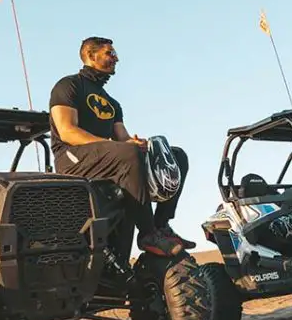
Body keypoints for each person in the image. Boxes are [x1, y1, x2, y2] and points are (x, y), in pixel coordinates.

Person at [48, 36, 195, 257]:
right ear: (90, 55)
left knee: (176, 155)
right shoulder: (68, 85)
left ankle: (162, 224)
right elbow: (67, 131)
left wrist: (136, 144)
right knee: (128, 153)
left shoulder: (112, 102)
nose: (116, 58)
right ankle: (148, 233)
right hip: (71, 158)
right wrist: (119, 146)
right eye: (109, 53)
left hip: (108, 157)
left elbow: (122, 139)